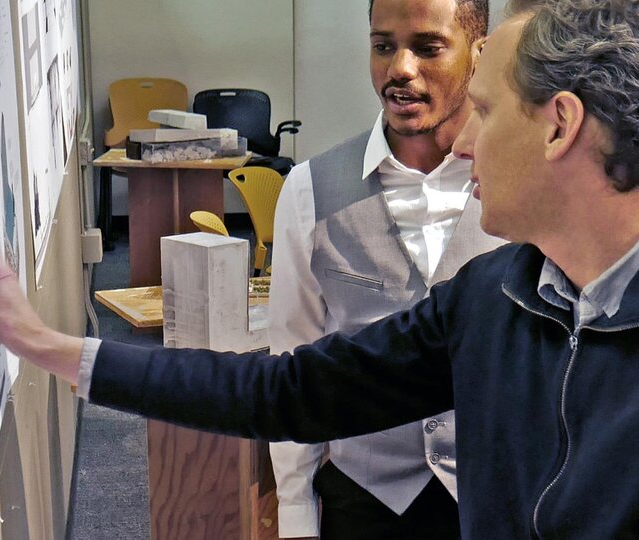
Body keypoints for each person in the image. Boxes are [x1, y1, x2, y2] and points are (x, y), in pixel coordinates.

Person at [0, 0, 639, 536]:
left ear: (559, 124)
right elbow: (289, 386)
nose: (467, 141)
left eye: (485, 109)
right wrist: (55, 348)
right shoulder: (496, 295)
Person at [267, 0, 499, 538]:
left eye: (427, 46)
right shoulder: (309, 189)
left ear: (479, 56)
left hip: (496, 492)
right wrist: (296, 513)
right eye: (383, 45)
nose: (400, 68)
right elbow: (293, 364)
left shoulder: (524, 185)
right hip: (364, 498)